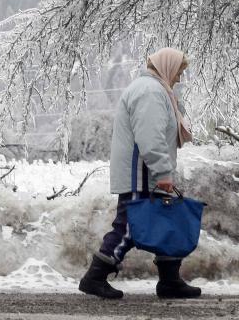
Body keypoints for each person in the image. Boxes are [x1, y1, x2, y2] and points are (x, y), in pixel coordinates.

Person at [78, 47, 200, 300]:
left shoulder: (153, 89)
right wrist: (163, 172)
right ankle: (95, 276)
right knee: (131, 226)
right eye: (178, 72)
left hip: (146, 170)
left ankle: (170, 281)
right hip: (141, 171)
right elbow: (150, 139)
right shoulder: (150, 92)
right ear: (167, 67)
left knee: (165, 221)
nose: (179, 78)